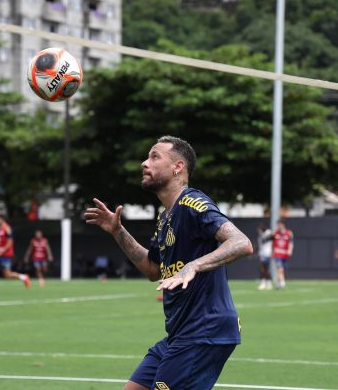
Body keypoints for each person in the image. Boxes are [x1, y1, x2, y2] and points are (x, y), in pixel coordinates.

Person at [84, 135, 253, 390]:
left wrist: (193, 265)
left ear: (178, 167)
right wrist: (118, 231)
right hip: (179, 335)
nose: (144, 163)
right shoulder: (166, 217)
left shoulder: (192, 203)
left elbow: (241, 243)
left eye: (154, 156)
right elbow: (152, 270)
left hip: (203, 332)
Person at [0, 215, 31, 296]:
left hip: (6, 254)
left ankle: (24, 277)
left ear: (2, 219)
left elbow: (10, 242)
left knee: (7, 275)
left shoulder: (7, 228)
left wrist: (2, 251)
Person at [272, 218, 294, 289]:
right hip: (277, 254)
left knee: (282, 269)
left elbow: (291, 242)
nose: (278, 226)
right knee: (280, 269)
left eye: (279, 224)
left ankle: (279, 284)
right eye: (277, 224)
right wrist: (272, 252)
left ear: (283, 225)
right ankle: (282, 283)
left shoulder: (289, 233)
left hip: (285, 255)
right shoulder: (275, 233)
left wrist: (290, 250)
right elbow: (272, 243)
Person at [257, 224, 272, 290]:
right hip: (262, 254)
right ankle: (267, 283)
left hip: (267, 253)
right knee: (263, 269)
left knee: (264, 268)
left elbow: (271, 237)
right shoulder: (260, 236)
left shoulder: (268, 233)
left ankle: (265, 283)